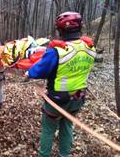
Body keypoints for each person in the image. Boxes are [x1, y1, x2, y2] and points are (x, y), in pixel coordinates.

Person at [25, 12, 96, 157]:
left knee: (48, 129)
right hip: (78, 98)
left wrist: (28, 73)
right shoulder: (89, 47)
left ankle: (44, 155)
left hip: (56, 100)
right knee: (67, 126)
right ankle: (64, 154)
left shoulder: (57, 52)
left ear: (61, 30)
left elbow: (40, 70)